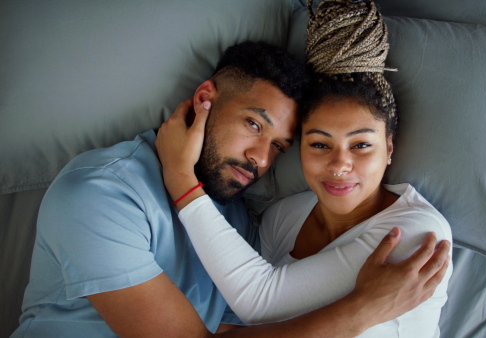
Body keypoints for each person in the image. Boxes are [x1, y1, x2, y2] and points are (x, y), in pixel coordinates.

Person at [12, 40, 450, 338]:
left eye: (279, 145)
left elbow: (237, 329)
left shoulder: (234, 213)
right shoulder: (100, 194)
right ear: (207, 98)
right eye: (253, 125)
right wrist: (363, 308)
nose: (260, 159)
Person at [156, 1, 452, 337]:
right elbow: (251, 322)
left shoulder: (416, 233)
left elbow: (258, 301)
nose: (339, 164)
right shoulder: (281, 218)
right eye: (320, 145)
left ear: (390, 149)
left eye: (361, 145)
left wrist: (180, 177)